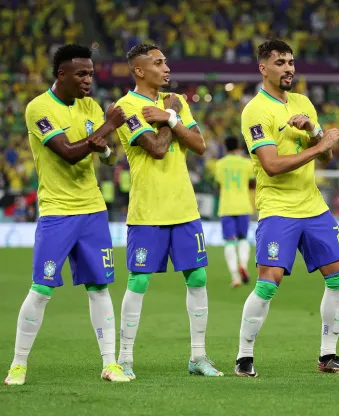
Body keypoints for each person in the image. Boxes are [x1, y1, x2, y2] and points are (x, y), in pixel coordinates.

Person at [5, 44, 129, 385]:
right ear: (62, 75)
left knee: (99, 288)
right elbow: (69, 153)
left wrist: (105, 142)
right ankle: (18, 365)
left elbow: (106, 157)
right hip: (57, 212)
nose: (89, 79)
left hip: (92, 211)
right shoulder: (39, 108)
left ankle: (109, 364)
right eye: (81, 74)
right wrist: (108, 127)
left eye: (90, 73)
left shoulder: (89, 106)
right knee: (42, 289)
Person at [235, 39, 339, 377]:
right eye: (280, 62)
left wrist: (316, 132)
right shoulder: (256, 110)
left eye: (291, 61)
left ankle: (328, 355)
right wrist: (319, 147)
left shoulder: (302, 102)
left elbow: (327, 154)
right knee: (268, 282)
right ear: (263, 68)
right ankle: (244, 357)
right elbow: (271, 165)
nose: (288, 68)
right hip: (277, 207)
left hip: (312, 205)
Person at [113, 43, 223, 379]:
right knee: (139, 280)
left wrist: (171, 116)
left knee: (199, 277)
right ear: (140, 70)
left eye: (166, 62)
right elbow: (159, 149)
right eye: (158, 63)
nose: (167, 68)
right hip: (148, 211)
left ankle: (198, 357)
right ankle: (125, 358)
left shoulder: (176, 104)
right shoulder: (125, 107)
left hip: (184, 207)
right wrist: (169, 121)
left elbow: (200, 145)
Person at [214, 136, 255, 288]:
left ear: (225, 147)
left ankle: (235, 277)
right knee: (243, 239)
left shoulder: (219, 164)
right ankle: (243, 264)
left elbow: (218, 186)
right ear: (238, 147)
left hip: (227, 206)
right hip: (243, 206)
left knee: (229, 241)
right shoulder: (246, 163)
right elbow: (252, 184)